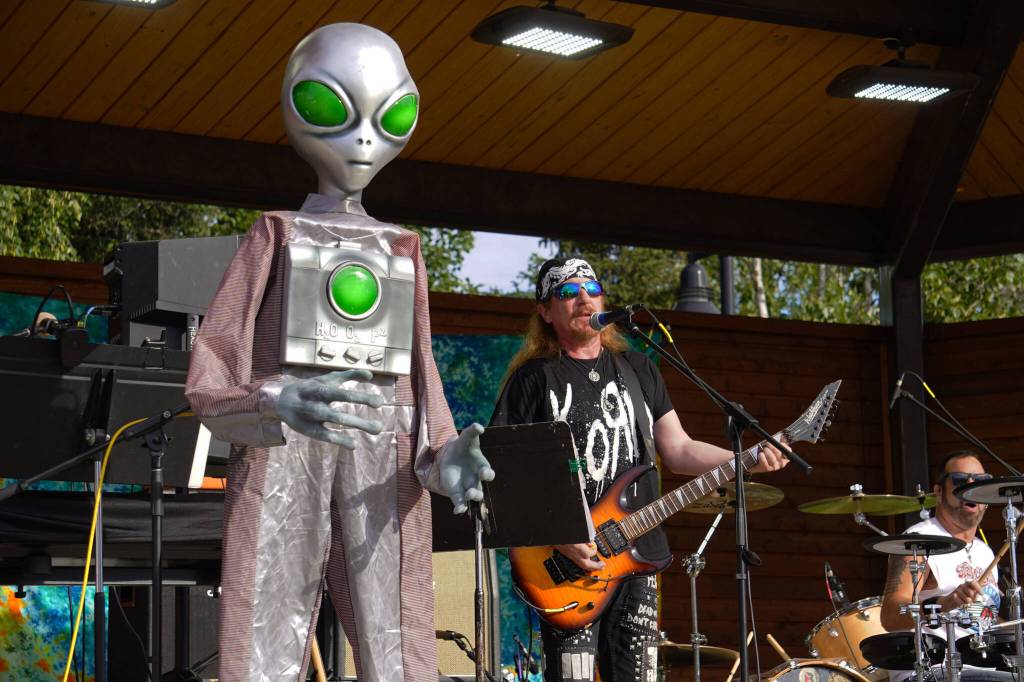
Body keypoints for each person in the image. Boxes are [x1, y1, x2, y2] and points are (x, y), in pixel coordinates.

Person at [185, 24, 493, 682]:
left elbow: (420, 372)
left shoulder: (401, 247)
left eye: (391, 115)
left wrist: (443, 455)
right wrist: (273, 401)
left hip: (381, 456)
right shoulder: (275, 233)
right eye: (331, 107)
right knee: (263, 637)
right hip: (285, 449)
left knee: (398, 643)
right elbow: (211, 372)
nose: (362, 138)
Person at [489, 257, 789, 682]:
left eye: (590, 289)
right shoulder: (533, 379)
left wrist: (749, 457)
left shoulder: (638, 368)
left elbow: (680, 449)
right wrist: (557, 533)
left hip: (638, 556)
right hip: (566, 563)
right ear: (545, 311)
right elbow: (505, 471)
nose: (583, 299)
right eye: (567, 293)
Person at [880, 450, 1005, 681]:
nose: (970, 487)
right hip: (931, 671)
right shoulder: (919, 540)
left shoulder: (985, 551)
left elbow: (984, 617)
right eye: (959, 480)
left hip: (982, 670)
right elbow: (890, 614)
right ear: (938, 492)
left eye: (980, 482)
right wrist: (943, 604)